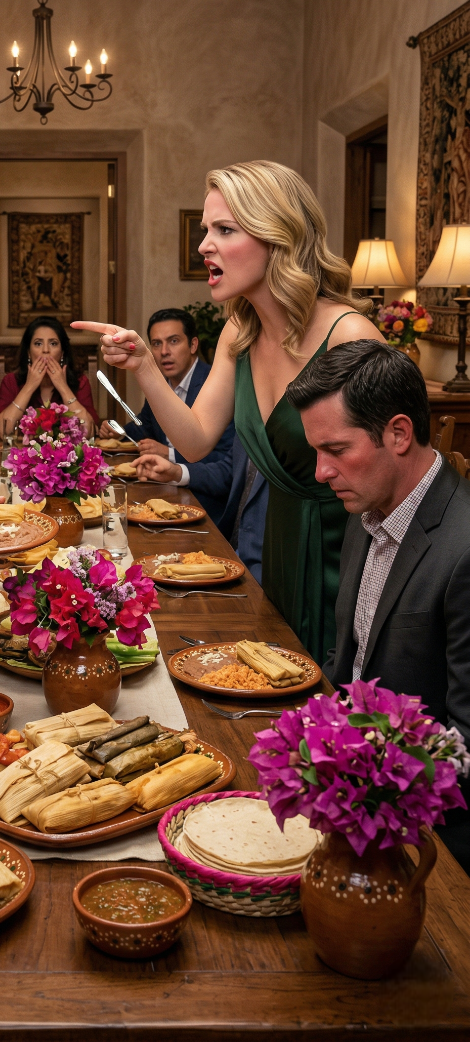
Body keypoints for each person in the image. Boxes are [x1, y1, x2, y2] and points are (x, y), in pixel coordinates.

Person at [73, 160, 381, 663]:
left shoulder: (349, 336)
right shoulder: (241, 332)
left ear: (277, 236)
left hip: (341, 559)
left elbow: (393, 481)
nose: (203, 246)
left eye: (224, 230)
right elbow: (195, 440)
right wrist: (145, 367)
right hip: (272, 551)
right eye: (204, 231)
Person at [286, 339, 470, 871]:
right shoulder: (368, 509)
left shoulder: (464, 549)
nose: (321, 472)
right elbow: (352, 667)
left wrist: (360, 803)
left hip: (425, 841)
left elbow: (466, 745)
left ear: (398, 433)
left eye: (336, 450)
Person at [99, 307, 235, 524]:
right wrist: (118, 431)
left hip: (207, 505)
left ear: (193, 345)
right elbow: (145, 427)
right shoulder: (161, 384)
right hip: (167, 492)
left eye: (173, 341)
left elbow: (226, 462)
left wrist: (170, 455)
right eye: (156, 343)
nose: (164, 352)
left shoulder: (217, 385)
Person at [0, 316, 99, 438]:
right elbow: (4, 432)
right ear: (28, 352)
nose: (45, 350)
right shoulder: (11, 381)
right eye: (38, 343)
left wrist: (62, 386)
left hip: (67, 456)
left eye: (53, 343)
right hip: (23, 455)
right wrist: (29, 386)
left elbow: (87, 433)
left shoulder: (80, 382)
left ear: (62, 353)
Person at [215, 435, 269, 583]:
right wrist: (177, 472)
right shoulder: (247, 422)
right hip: (229, 550)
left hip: (263, 569)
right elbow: (228, 471)